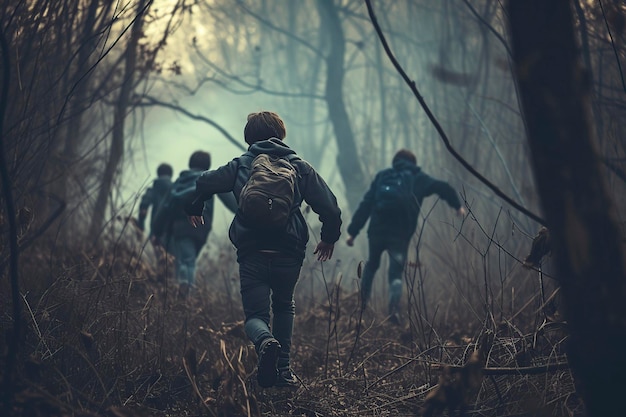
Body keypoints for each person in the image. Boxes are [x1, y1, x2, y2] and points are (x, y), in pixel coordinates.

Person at [186, 111, 342, 389]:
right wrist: (328, 237)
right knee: (284, 305)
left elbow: (204, 181)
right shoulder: (300, 167)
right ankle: (283, 370)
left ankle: (265, 341)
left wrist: (196, 206)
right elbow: (329, 206)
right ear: (281, 134)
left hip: (252, 252)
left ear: (249, 137)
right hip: (288, 252)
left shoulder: (241, 165)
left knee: (256, 318)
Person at [346, 149, 466, 323]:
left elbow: (366, 203)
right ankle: (394, 313)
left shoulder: (383, 176)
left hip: (377, 232)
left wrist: (353, 232)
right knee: (395, 273)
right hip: (400, 235)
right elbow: (443, 187)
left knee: (371, 265)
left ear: (395, 161)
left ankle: (361, 309)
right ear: (413, 163)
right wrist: (457, 206)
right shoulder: (419, 178)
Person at [152, 151, 237, 295]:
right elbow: (229, 200)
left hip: (180, 226)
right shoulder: (210, 178)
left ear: (190, 163)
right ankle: (185, 290)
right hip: (202, 226)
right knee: (189, 258)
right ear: (207, 165)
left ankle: (184, 289)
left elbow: (164, 208)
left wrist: (156, 230)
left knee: (185, 259)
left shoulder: (180, 181)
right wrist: (245, 210)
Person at [137, 163, 173, 233]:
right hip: (170, 230)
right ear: (171, 175)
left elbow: (143, 208)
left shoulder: (153, 189)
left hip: (155, 228)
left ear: (158, 174)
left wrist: (141, 226)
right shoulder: (175, 190)